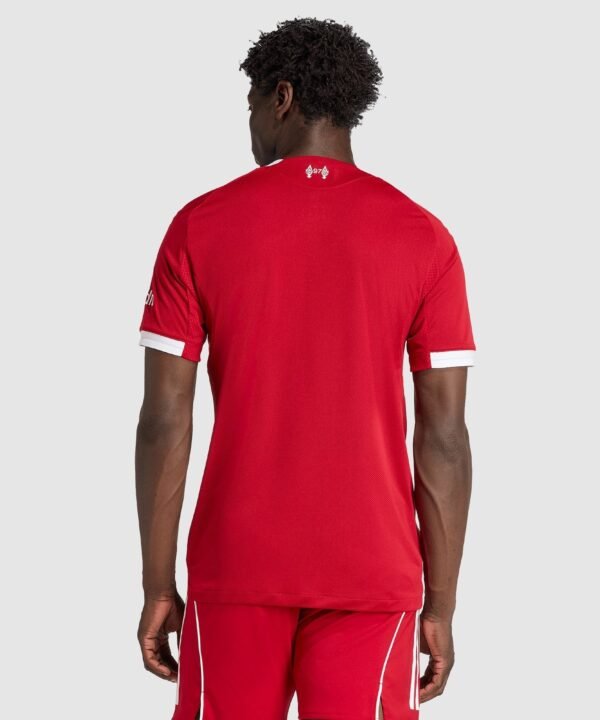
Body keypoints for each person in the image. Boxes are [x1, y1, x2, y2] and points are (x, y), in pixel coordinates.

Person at [135, 17, 476, 720]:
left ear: (282, 97)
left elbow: (165, 420)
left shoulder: (199, 225)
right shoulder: (424, 237)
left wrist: (158, 585)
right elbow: (443, 438)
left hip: (236, 566)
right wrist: (440, 605)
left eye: (253, 104)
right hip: (373, 572)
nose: (251, 124)